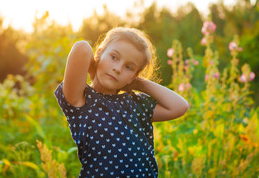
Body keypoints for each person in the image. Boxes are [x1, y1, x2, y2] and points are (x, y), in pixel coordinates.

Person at [54, 27, 189, 178]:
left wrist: (139, 84)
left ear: (133, 76)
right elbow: (82, 48)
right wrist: (94, 68)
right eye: (114, 57)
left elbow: (180, 106)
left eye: (128, 67)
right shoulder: (82, 100)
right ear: (99, 53)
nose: (118, 69)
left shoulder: (136, 104)